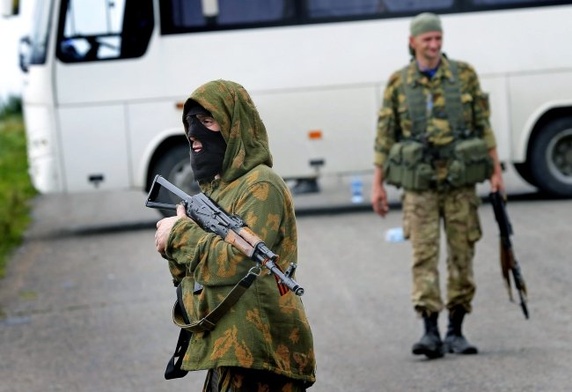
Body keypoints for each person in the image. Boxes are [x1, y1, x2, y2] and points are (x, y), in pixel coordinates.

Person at [154, 80, 316, 390]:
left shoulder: (260, 185)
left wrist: (178, 235)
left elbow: (238, 263)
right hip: (229, 345)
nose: (195, 134)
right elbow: (194, 271)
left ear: (235, 125)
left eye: (207, 121)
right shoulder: (220, 190)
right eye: (191, 124)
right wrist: (171, 241)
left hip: (260, 348)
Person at [371, 12, 504, 359]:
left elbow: (483, 126)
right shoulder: (399, 83)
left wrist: (495, 171)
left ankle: (456, 330)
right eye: (427, 39)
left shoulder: (463, 76)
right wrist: (378, 185)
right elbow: (385, 137)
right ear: (412, 41)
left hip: (460, 183)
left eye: (437, 38)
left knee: (463, 255)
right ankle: (429, 331)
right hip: (420, 186)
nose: (433, 44)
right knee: (424, 256)